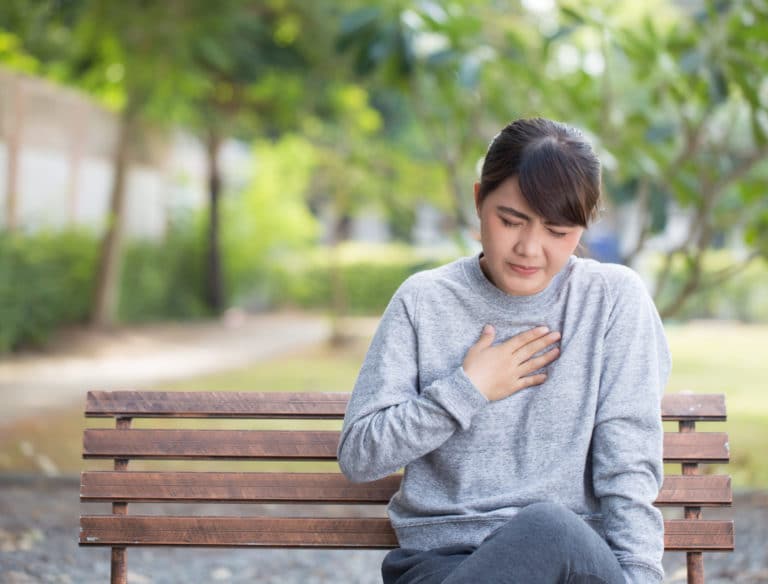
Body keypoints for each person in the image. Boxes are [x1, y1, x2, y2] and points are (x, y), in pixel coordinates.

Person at [337, 117, 671, 584]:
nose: (529, 248)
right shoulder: (425, 301)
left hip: (571, 568)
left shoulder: (612, 300)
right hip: (442, 565)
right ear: (479, 201)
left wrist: (638, 576)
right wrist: (466, 390)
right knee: (546, 527)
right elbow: (359, 456)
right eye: (511, 221)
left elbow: (628, 466)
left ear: (582, 228)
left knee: (550, 528)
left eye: (558, 231)